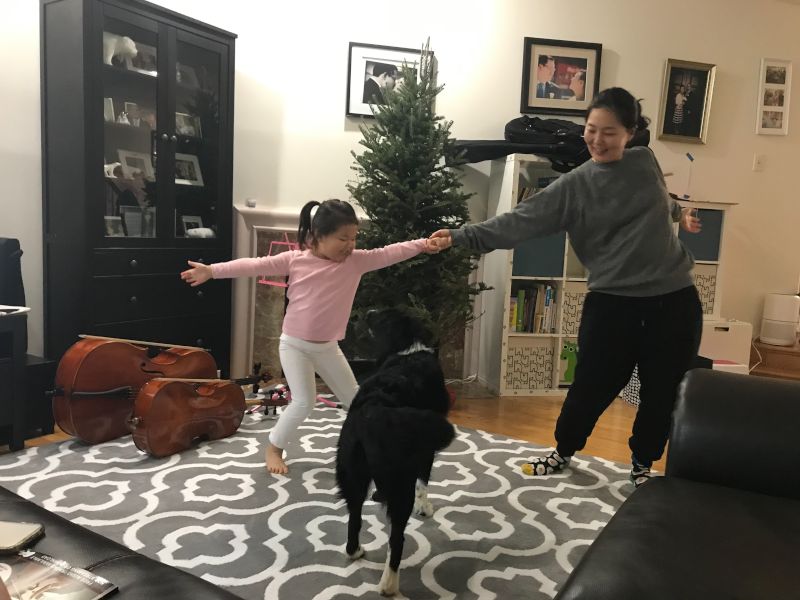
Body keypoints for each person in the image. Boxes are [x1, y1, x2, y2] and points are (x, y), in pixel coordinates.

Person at [429, 87, 703, 487]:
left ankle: (643, 465)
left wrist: (681, 213)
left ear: (630, 134)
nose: (597, 140)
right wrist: (460, 236)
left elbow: (660, 198)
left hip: (675, 302)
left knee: (662, 393)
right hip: (614, 305)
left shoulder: (645, 161)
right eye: (591, 129)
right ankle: (564, 450)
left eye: (609, 132)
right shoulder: (575, 186)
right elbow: (519, 221)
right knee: (591, 387)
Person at [181, 199, 438, 474]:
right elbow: (254, 265)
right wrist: (212, 271)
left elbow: (389, 253)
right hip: (294, 346)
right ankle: (274, 448)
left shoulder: (356, 261)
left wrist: (423, 244)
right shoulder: (295, 260)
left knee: (357, 400)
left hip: (327, 347)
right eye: (343, 238)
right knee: (304, 401)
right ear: (318, 236)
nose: (350, 244)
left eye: (354, 238)